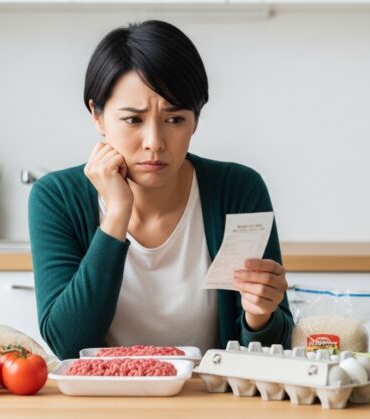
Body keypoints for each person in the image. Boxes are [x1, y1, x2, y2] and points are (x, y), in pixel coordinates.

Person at [28, 20, 293, 360]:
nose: (154, 143)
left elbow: (274, 348)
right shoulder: (56, 197)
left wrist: (260, 316)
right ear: (97, 116)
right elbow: (67, 343)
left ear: (195, 119)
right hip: (102, 403)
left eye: (175, 119)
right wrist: (117, 215)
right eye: (133, 120)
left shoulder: (237, 190)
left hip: (210, 403)